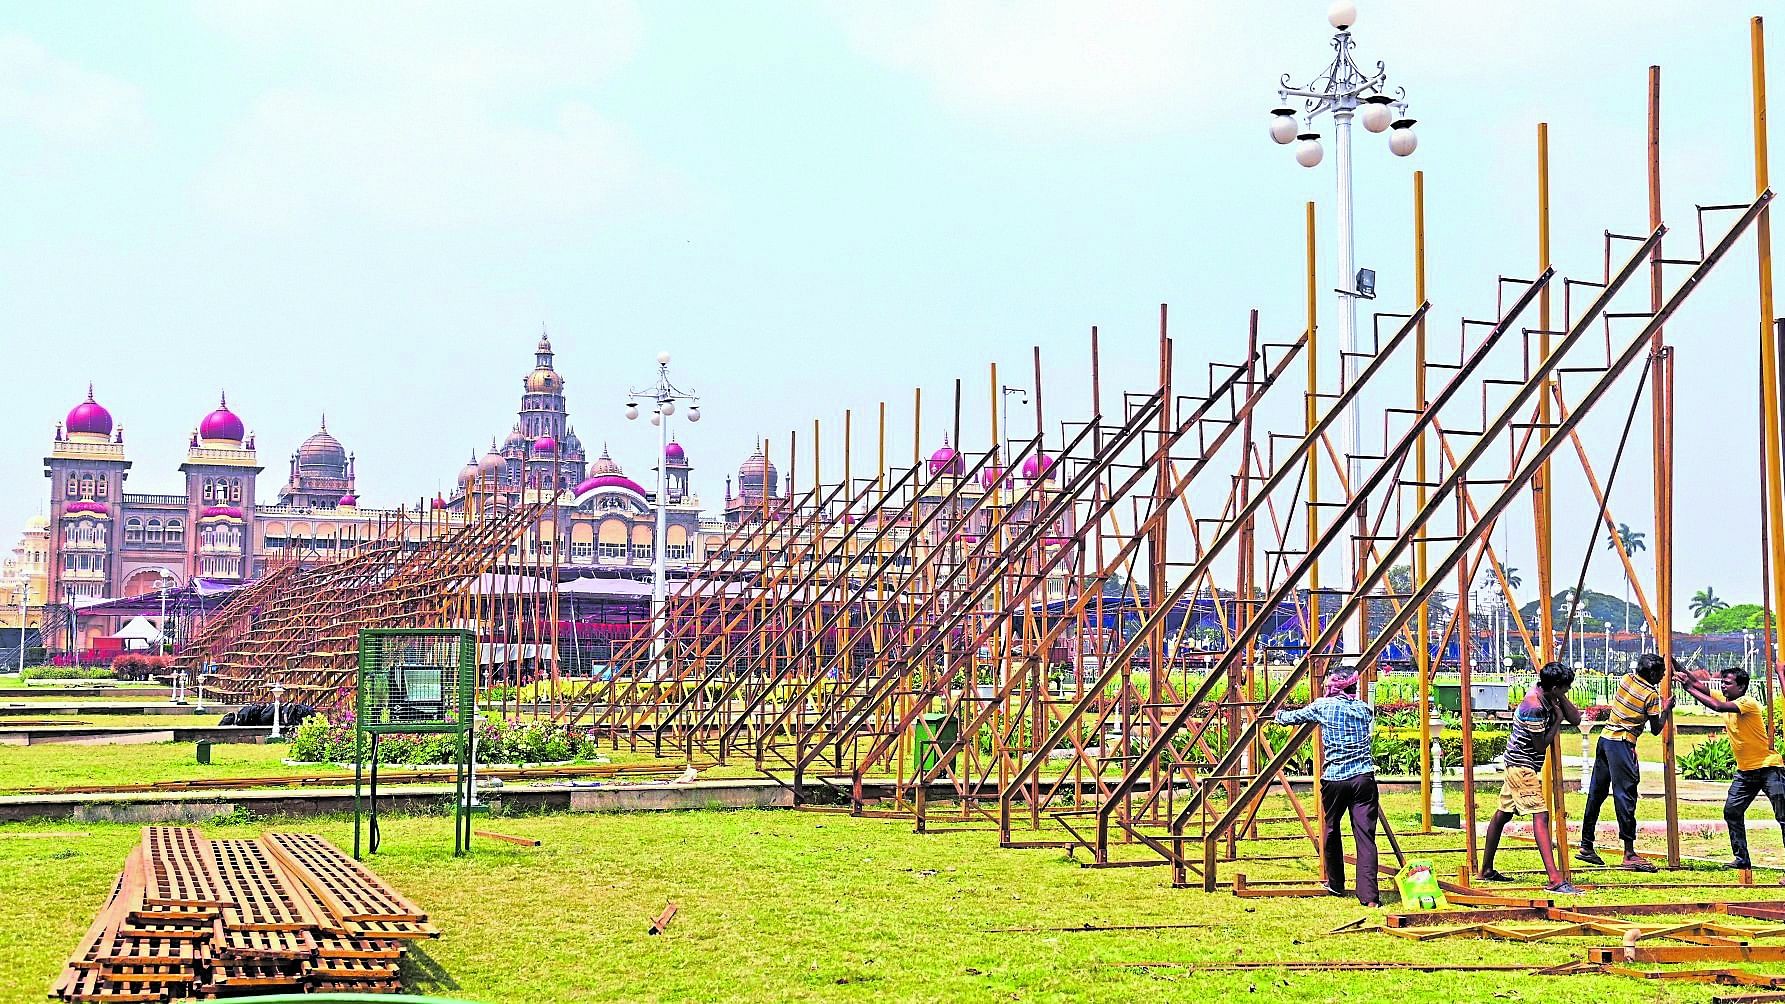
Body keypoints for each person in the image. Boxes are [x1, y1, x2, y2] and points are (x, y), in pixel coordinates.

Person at [1275, 665, 1380, 907]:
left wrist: (1276, 714)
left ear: (1334, 686)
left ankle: (1335, 883)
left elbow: (1292, 717)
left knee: (1332, 830)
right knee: (1365, 837)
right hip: (1363, 778)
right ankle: (1369, 897)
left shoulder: (1324, 706)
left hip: (1334, 779)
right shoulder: (1365, 710)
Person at [1674, 662, 1785, 877]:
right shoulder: (1727, 697)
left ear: (1741, 687)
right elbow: (1699, 684)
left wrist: (1688, 687)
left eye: (1728, 684)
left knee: (1783, 817)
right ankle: (1742, 858)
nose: (1723, 687)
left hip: (1769, 768)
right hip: (1746, 772)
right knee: (1732, 811)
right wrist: (1675, 665)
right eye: (1722, 684)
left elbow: (1716, 706)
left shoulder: (1747, 702)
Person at [1481, 661, 1582, 893]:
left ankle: (1486, 869)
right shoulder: (1533, 706)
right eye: (1565, 688)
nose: (1567, 692)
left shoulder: (1547, 695)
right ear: (1555, 687)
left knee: (1502, 816)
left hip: (1520, 764)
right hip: (1521, 766)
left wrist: (1561, 701)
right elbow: (1539, 746)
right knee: (1541, 815)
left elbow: (1576, 720)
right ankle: (1555, 879)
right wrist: (1557, 720)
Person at [1577, 653, 1672, 872]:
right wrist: (1666, 708)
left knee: (1596, 794)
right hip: (1622, 743)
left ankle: (1586, 844)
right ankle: (1629, 853)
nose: (1664, 675)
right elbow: (1657, 729)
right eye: (1662, 672)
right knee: (1625, 796)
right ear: (1653, 673)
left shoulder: (1627, 679)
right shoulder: (1651, 694)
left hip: (1605, 739)